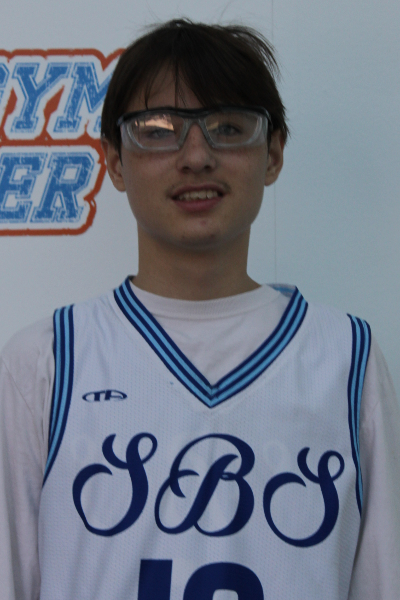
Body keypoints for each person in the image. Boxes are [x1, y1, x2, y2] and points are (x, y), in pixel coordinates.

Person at [0, 18, 399, 600]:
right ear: (114, 160)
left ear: (273, 153)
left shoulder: (346, 359)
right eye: (158, 130)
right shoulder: (45, 362)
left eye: (227, 128)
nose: (196, 156)